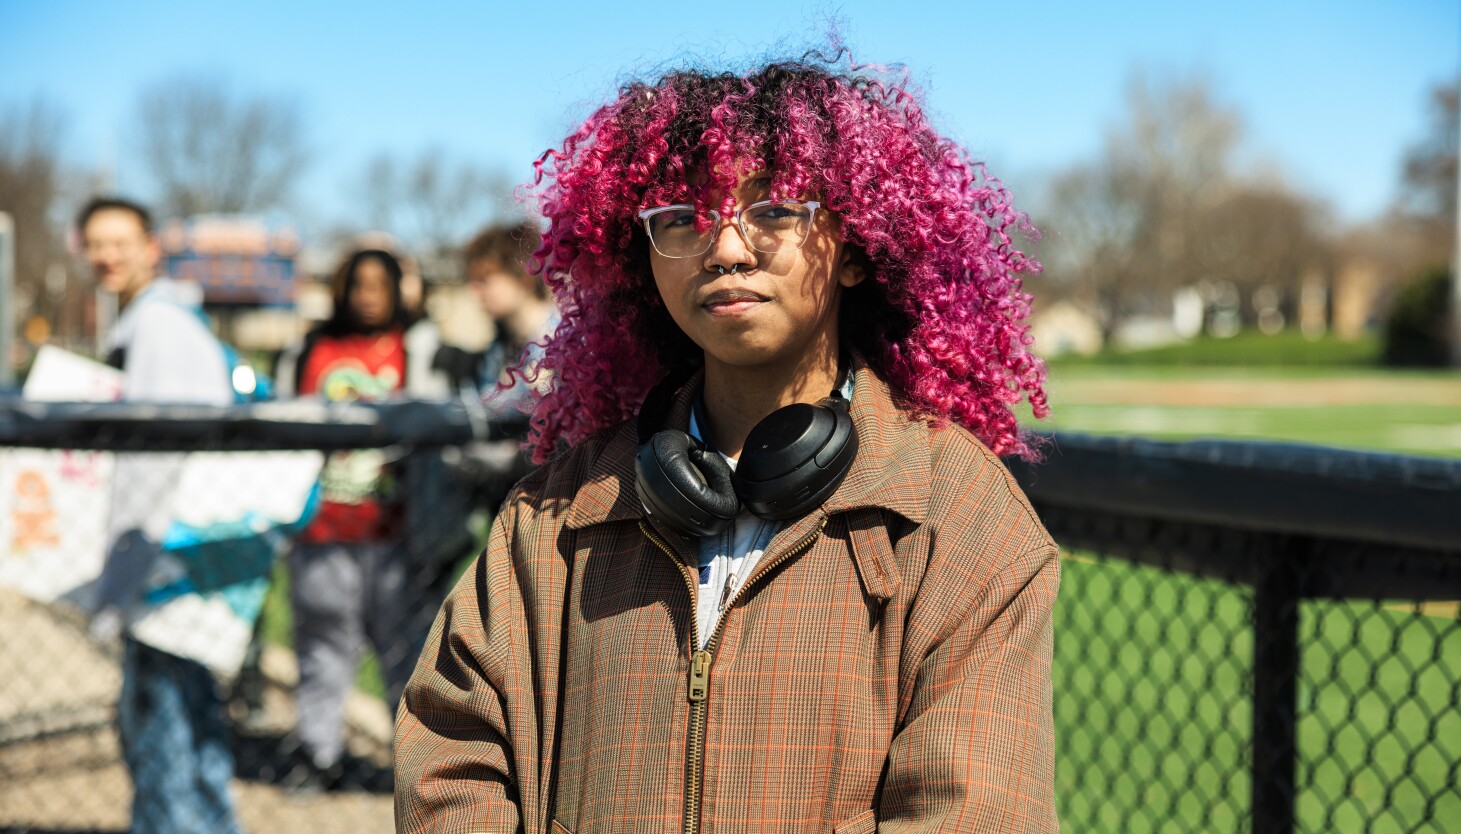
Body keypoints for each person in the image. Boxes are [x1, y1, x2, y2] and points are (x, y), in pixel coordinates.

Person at [396, 53, 1060, 832]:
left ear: (851, 246)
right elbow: (450, 755)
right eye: (681, 218)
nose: (725, 248)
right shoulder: (558, 508)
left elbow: (973, 815)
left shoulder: (958, 513)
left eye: (774, 210)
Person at [80, 197, 245, 834]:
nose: (106, 255)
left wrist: (125, 570)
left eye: (119, 241)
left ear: (151, 246)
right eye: (96, 242)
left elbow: (154, 458)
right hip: (184, 549)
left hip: (163, 552)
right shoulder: (165, 320)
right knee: (191, 721)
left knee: (161, 730)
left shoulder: (157, 327)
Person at [274, 247, 463, 792]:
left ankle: (413, 767)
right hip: (322, 530)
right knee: (321, 650)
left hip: (399, 537)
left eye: (381, 284)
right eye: (359, 284)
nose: (369, 295)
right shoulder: (310, 347)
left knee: (407, 658)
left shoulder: (420, 347)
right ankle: (318, 753)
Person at [440, 221, 559, 509]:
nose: (475, 290)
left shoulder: (562, 342)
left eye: (485, 279)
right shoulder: (498, 348)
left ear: (523, 277)